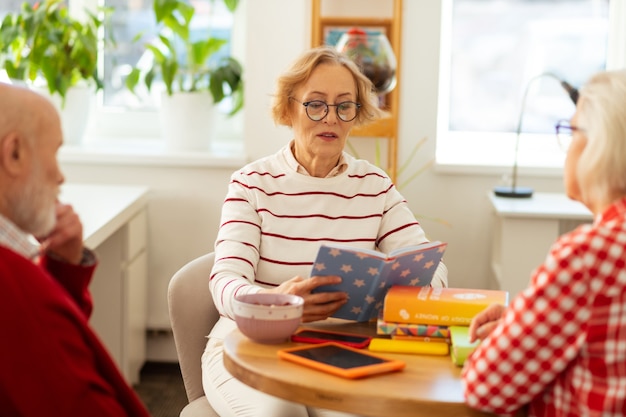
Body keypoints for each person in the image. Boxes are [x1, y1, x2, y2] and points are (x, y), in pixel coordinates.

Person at [202, 45, 448, 417]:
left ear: (356, 114)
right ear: (288, 109)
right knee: (281, 414)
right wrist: (274, 306)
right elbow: (225, 280)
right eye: (315, 104)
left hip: (342, 345)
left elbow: (429, 266)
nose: (330, 118)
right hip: (250, 344)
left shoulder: (375, 186)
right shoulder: (251, 184)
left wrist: (413, 293)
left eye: (344, 105)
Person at [462, 69, 626, 416]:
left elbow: (483, 388)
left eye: (570, 131)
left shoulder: (588, 254)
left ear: (599, 144)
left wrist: (514, 333)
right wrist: (523, 324)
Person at [0, 83, 150, 417]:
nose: (60, 175)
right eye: (54, 153)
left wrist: (63, 267)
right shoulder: (11, 281)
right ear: (14, 154)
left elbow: (48, 351)